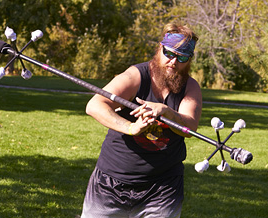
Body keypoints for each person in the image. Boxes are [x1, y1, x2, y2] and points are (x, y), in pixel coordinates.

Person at [81, 21, 202, 218]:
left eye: (182, 57)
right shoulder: (136, 76)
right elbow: (94, 105)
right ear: (160, 49)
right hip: (111, 181)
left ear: (190, 60)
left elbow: (190, 127)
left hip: (163, 187)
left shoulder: (190, 87)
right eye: (169, 53)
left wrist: (167, 112)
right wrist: (131, 127)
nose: (173, 61)